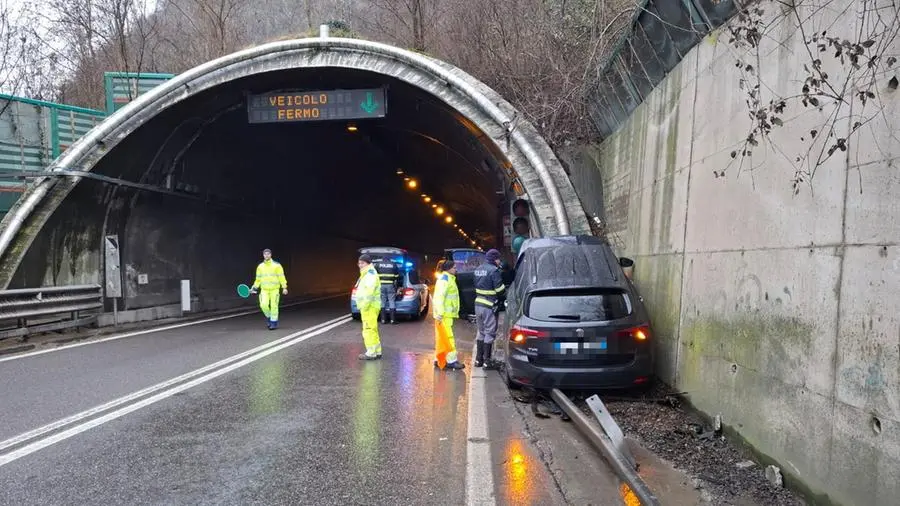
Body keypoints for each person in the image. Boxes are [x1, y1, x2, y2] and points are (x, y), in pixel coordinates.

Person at [473, 249, 505, 367]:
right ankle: (487, 361)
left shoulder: (478, 269)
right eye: (498, 259)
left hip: (478, 304)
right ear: (494, 259)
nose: (499, 261)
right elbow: (499, 290)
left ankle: (478, 360)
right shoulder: (494, 270)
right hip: (489, 305)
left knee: (481, 332)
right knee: (490, 332)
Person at [432, 259, 465, 370]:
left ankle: (439, 359)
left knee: (442, 337)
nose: (456, 269)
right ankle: (451, 361)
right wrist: (440, 313)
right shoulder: (445, 280)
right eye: (454, 267)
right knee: (448, 337)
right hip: (444, 315)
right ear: (448, 269)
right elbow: (439, 298)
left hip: (445, 314)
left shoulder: (448, 278)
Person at [353, 254, 383, 360]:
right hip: (371, 306)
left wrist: (364, 305)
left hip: (369, 307)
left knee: (368, 329)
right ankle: (377, 351)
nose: (360, 265)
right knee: (373, 329)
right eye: (359, 263)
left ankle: (371, 353)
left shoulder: (369, 275)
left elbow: (369, 292)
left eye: (362, 263)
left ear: (368, 263)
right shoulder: (367, 273)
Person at [250, 248, 288, 330]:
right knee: (263, 305)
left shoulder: (277, 265)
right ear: (263, 255)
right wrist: (254, 288)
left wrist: (284, 287)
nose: (266, 255)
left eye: (268, 254)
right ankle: (269, 317)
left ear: (271, 255)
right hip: (264, 290)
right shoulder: (260, 266)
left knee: (274, 306)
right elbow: (258, 279)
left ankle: (273, 323)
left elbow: (281, 276)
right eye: (265, 254)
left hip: (275, 290)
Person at [374, 256, 401, 324]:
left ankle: (383, 320)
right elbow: (397, 276)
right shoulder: (393, 264)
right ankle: (392, 320)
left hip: (381, 285)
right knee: (391, 301)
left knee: (382, 302)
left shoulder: (377, 264)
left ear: (382, 259)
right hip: (390, 285)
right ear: (389, 259)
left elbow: (374, 276)